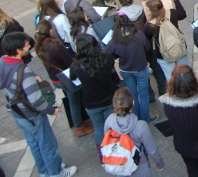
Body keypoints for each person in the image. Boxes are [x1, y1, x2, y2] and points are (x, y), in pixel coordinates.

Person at [0, 32, 78, 177]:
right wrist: (51, 110)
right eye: (25, 45)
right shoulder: (24, 71)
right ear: (18, 50)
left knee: (33, 143)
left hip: (18, 112)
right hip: (32, 114)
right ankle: (57, 172)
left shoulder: (3, 61)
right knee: (47, 144)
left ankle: (43, 170)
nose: (28, 45)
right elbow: (36, 100)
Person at [34, 22, 93, 138]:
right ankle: (79, 126)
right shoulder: (55, 46)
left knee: (73, 99)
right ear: (50, 31)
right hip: (65, 78)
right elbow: (69, 63)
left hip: (55, 79)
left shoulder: (40, 47)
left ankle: (80, 121)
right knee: (74, 102)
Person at [105, 13, 156, 124]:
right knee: (143, 94)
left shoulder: (115, 40)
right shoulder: (139, 35)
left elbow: (106, 53)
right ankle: (146, 118)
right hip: (140, 68)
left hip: (125, 70)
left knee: (132, 95)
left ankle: (136, 117)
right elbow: (147, 47)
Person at [70, 34, 118, 150]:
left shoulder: (76, 66)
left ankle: (103, 152)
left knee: (99, 127)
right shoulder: (107, 57)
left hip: (91, 102)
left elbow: (72, 77)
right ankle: (117, 149)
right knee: (114, 125)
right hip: (109, 97)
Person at [104, 88, 165, 176]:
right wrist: (159, 163)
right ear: (132, 102)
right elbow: (152, 149)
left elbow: (107, 139)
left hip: (120, 164)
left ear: (114, 104)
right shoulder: (141, 125)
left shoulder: (109, 120)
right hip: (140, 164)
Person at [144, 0, 189, 80]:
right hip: (179, 48)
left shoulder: (149, 26)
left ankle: (175, 91)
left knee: (171, 77)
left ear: (150, 12)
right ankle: (189, 89)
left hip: (163, 54)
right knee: (185, 73)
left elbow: (148, 39)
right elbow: (183, 14)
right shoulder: (173, 13)